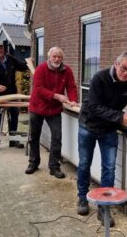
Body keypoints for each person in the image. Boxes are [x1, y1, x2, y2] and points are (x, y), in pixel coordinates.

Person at [76, 52, 127, 227]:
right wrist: (120, 116)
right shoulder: (99, 78)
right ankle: (82, 198)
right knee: (84, 164)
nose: (126, 73)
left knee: (109, 169)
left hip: (109, 129)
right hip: (88, 125)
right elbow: (95, 107)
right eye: (123, 68)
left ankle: (104, 208)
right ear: (116, 64)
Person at [25, 47, 78, 179]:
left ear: (62, 58)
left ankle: (54, 167)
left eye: (59, 57)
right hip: (37, 107)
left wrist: (73, 100)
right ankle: (33, 163)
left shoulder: (67, 71)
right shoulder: (41, 69)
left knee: (57, 137)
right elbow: (39, 89)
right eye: (54, 56)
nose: (56, 59)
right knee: (34, 137)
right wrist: (57, 96)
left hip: (54, 109)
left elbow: (71, 87)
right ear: (49, 57)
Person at [0, 41, 29, 151]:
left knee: (14, 116)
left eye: (1, 48)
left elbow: (21, 67)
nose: (0, 50)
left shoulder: (10, 59)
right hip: (0, 95)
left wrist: (29, 63)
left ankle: (14, 140)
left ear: (4, 49)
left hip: (12, 93)